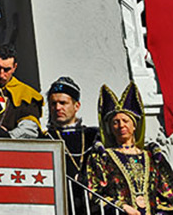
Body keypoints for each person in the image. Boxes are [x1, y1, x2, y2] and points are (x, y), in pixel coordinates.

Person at [85, 82, 173, 215]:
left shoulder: (152, 157)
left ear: (134, 125)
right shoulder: (102, 158)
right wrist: (121, 206)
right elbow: (93, 194)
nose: (121, 125)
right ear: (110, 128)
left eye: (125, 121)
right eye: (115, 122)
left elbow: (168, 194)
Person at [0, 44, 43, 138]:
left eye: (6, 70)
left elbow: (29, 128)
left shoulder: (26, 94)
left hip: (12, 150)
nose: (1, 74)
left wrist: (9, 136)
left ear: (15, 67)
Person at [45, 77, 99, 182]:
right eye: (53, 103)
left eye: (63, 103)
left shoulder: (93, 136)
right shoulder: (44, 139)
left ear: (76, 106)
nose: (57, 108)